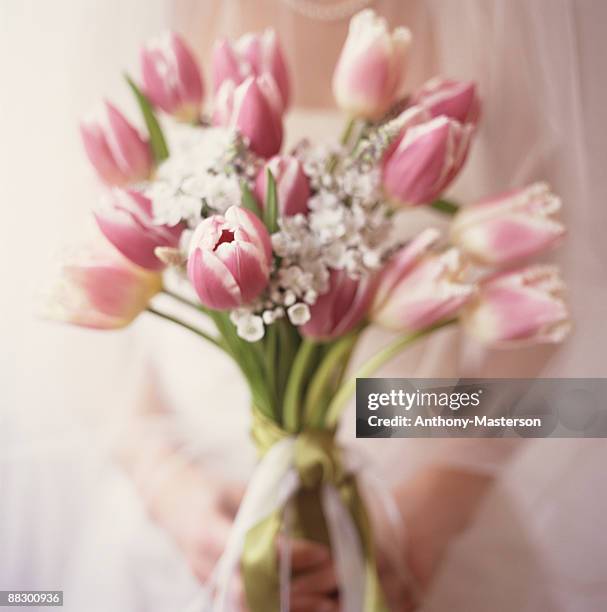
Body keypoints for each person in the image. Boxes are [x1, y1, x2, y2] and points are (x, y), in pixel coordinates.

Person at [56, 1, 607, 611]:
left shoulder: (496, 24)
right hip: (195, 512)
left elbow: (546, 309)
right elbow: (78, 289)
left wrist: (438, 506)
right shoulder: (147, 16)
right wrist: (171, 491)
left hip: (417, 517)